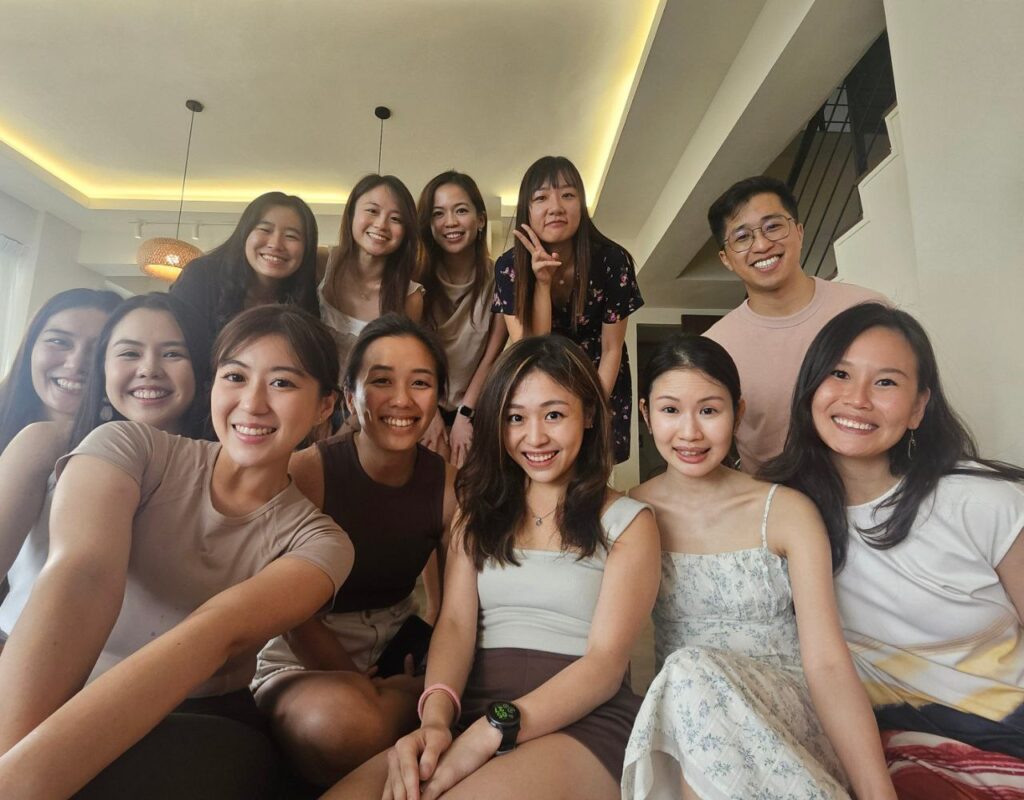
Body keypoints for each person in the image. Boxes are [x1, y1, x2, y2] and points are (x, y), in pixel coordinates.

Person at [0, 305, 354, 799]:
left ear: (324, 407)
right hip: (60, 684)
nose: (252, 404)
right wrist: (13, 763)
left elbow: (216, 634)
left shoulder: (322, 543)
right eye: (235, 376)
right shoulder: (131, 448)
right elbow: (82, 574)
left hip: (198, 715)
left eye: (282, 383)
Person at [326, 335, 660, 800]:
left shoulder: (629, 522)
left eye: (554, 415)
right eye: (515, 418)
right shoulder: (477, 514)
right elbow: (455, 624)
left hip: (583, 720)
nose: (535, 437)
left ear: (588, 414)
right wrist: (435, 721)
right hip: (471, 708)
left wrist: (491, 731)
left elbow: (605, 665)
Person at [621, 333, 895, 800]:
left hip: (787, 715)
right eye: (670, 410)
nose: (689, 432)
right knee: (685, 675)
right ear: (646, 415)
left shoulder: (786, 511)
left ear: (738, 412)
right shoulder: (628, 515)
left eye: (709, 410)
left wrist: (878, 793)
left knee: (687, 668)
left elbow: (828, 664)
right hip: (690, 720)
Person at [762, 303, 1024, 768]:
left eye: (885, 382)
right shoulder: (776, 513)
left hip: (1009, 735)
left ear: (918, 407)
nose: (858, 399)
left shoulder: (982, 501)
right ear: (810, 387)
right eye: (840, 374)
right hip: (879, 750)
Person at [252, 314, 458, 786]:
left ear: (439, 397)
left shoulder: (449, 485)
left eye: (420, 383)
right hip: (301, 653)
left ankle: (393, 711)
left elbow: (456, 604)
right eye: (381, 381)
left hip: (396, 644)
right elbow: (290, 615)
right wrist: (358, 682)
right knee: (344, 724)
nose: (402, 399)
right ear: (349, 396)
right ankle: (392, 712)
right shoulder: (308, 472)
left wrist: (427, 660)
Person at [0, 292, 212, 644]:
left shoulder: (217, 470)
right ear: (105, 367)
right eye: (129, 353)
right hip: (19, 651)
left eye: (173, 353)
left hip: (158, 668)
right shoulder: (46, 442)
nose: (149, 369)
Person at [703, 175, 884, 474]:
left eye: (773, 226)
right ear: (726, 258)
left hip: (871, 492)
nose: (762, 244)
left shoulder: (868, 311)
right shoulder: (714, 347)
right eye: (742, 237)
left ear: (799, 232)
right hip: (774, 496)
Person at [493, 156, 643, 464]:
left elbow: (612, 348)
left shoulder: (613, 261)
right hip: (540, 379)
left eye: (568, 195)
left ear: (582, 205)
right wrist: (542, 284)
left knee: (592, 470)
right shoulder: (509, 266)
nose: (556, 207)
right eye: (541, 198)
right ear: (526, 210)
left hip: (601, 378)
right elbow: (530, 348)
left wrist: (591, 407)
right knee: (546, 462)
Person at [416, 170, 507, 465]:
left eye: (461, 211)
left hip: (474, 404)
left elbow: (492, 352)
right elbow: (411, 352)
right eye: (438, 213)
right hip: (420, 402)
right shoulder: (415, 279)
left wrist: (466, 414)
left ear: (480, 220)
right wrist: (428, 411)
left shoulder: (501, 277)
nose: (450, 222)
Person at [170, 190, 319, 336]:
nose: (276, 244)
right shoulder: (201, 277)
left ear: (307, 248)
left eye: (291, 236)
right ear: (245, 233)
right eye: (265, 229)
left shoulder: (310, 297)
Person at [320, 174, 423, 373]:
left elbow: (401, 362)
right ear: (351, 213)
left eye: (396, 219)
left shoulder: (410, 296)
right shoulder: (322, 262)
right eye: (372, 211)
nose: (381, 225)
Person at [0, 288, 120, 454]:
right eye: (59, 342)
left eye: (100, 350)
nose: (75, 364)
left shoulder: (126, 449)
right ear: (30, 347)